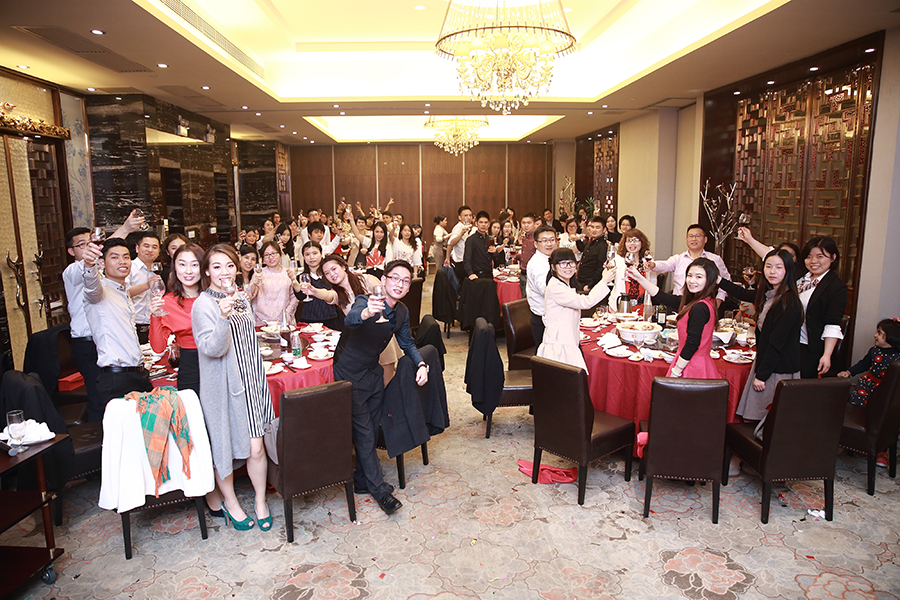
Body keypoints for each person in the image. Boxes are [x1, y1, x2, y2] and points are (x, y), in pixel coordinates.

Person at [332, 260, 428, 515]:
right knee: (364, 433)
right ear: (383, 280)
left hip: (372, 372)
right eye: (395, 278)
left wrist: (421, 364)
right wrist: (366, 313)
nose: (399, 284)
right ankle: (381, 492)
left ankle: (362, 480)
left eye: (405, 281)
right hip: (348, 373)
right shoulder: (366, 301)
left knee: (373, 428)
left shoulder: (402, 311)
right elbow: (352, 319)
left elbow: (407, 343)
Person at [192, 244, 274, 531]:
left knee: (256, 448)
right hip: (223, 386)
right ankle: (231, 502)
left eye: (229, 265)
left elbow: (248, 339)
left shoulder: (239, 297)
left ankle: (261, 501)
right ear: (207, 272)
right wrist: (222, 317)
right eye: (216, 266)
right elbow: (211, 349)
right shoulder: (202, 305)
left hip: (250, 380)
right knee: (224, 449)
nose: (224, 272)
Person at [62, 215, 142, 422]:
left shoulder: (118, 287)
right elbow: (91, 281)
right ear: (71, 251)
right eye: (82, 245)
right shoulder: (74, 271)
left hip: (110, 348)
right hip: (88, 344)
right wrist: (90, 262)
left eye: (91, 243)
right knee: (100, 402)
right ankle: (98, 435)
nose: (89, 248)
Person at [718, 249, 804, 423]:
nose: (772, 271)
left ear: (788, 270)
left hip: (778, 369)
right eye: (768, 266)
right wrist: (718, 280)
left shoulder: (788, 302)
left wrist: (762, 375)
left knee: (766, 420)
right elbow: (743, 294)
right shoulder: (771, 295)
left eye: (779, 267)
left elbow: (776, 343)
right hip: (767, 363)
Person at [81, 237, 153, 421]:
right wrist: (88, 264)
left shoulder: (122, 291)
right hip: (117, 379)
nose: (122, 261)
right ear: (102, 263)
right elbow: (91, 284)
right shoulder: (99, 291)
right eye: (114, 257)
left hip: (137, 374)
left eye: (126, 257)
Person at [628, 258, 721, 379]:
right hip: (696, 363)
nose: (692, 281)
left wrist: (676, 372)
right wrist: (639, 277)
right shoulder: (703, 302)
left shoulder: (699, 308)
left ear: (710, 280)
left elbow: (692, 344)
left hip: (692, 366)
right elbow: (664, 297)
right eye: (689, 276)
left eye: (699, 277)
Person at [537, 248, 615, 373]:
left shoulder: (564, 284)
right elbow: (586, 302)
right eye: (562, 263)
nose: (568, 267)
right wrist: (604, 281)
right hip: (560, 345)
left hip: (567, 339)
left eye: (571, 262)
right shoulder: (555, 287)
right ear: (553, 267)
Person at [149, 243, 204, 395]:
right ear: (174, 268)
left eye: (194, 265)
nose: (188, 271)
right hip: (190, 368)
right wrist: (155, 316)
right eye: (182, 264)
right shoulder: (167, 302)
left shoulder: (214, 297)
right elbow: (158, 348)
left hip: (220, 365)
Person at [795, 236, 848, 378]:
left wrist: (826, 355)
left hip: (808, 349)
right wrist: (749, 239)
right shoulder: (800, 277)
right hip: (787, 343)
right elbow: (774, 258)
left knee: (797, 387)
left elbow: (832, 324)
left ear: (833, 257)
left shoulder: (836, 287)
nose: (813, 261)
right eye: (809, 257)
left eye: (820, 256)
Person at [647, 224, 731, 303]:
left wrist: (719, 299)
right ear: (686, 239)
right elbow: (666, 265)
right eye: (691, 236)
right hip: (678, 302)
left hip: (703, 304)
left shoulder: (715, 259)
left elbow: (726, 280)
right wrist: (653, 265)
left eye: (698, 236)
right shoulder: (678, 259)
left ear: (705, 239)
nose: (694, 239)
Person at [838, 318, 900, 406]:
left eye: (879, 333)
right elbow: (863, 365)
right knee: (857, 401)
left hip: (886, 388)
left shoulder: (898, 357)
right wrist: (848, 372)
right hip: (868, 384)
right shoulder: (874, 351)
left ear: (892, 337)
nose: (875, 335)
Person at [292, 241, 340, 329]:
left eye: (315, 253)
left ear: (321, 254)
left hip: (331, 320)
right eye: (307, 254)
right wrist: (293, 280)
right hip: (308, 322)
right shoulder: (301, 277)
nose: (311, 257)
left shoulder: (330, 275)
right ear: (303, 257)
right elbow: (301, 297)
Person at [251, 241, 299, 327]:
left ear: (280, 254)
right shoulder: (259, 273)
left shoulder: (288, 273)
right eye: (266, 255)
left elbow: (295, 296)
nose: (271, 257)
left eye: (274, 253)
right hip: (263, 321)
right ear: (263, 258)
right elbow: (249, 296)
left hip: (284, 320)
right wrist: (253, 285)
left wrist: (288, 312)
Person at [526, 226, 559, 347]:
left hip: (552, 316)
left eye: (552, 240)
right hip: (542, 319)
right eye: (544, 241)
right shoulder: (538, 264)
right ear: (536, 244)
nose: (549, 244)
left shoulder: (551, 259)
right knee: (545, 355)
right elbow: (546, 291)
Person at [126, 232, 162, 344]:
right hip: (132, 326)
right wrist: (147, 285)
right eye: (146, 246)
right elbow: (123, 293)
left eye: (154, 247)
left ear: (159, 251)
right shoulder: (128, 267)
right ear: (137, 248)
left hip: (152, 326)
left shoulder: (157, 271)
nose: (150, 250)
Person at [608, 229, 654, 310]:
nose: (632, 243)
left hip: (642, 307)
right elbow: (606, 277)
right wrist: (607, 268)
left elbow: (653, 285)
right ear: (624, 243)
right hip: (620, 306)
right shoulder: (618, 260)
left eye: (636, 240)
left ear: (642, 242)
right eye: (629, 240)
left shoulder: (647, 262)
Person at [575, 216, 607, 292]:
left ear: (604, 229)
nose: (594, 230)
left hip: (590, 284)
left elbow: (600, 268)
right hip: (580, 280)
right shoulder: (590, 241)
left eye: (597, 227)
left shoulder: (603, 246)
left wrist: (590, 285)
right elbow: (582, 249)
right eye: (592, 227)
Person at [447, 205, 474, 282]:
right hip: (461, 262)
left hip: (470, 261)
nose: (468, 217)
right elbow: (451, 243)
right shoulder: (458, 227)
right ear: (459, 217)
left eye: (470, 215)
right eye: (466, 215)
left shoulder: (471, 228)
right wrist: (461, 234)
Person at [463, 211, 493, 280]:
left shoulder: (489, 239)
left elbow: (493, 258)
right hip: (477, 276)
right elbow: (467, 259)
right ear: (476, 223)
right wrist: (470, 273)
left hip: (489, 275)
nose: (483, 225)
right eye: (481, 222)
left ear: (489, 224)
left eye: (486, 222)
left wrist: (495, 252)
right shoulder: (471, 240)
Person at [517, 213, 537, 297]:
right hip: (523, 272)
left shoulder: (537, 239)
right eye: (523, 223)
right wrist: (517, 256)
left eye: (529, 223)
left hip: (532, 274)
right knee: (524, 299)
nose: (526, 225)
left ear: (534, 224)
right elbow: (527, 256)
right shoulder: (525, 238)